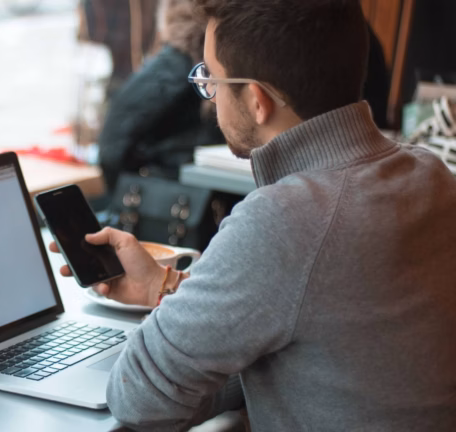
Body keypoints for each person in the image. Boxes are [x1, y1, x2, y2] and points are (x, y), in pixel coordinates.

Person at [50, 0, 456, 430]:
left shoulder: (283, 220)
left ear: (258, 101)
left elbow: (137, 398)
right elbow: (317, 345)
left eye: (211, 77)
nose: (210, 93)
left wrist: (177, 319)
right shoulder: (431, 177)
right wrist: (164, 286)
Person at [97, 0, 225, 191]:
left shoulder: (174, 66)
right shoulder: (207, 69)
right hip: (195, 196)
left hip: (180, 197)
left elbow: (112, 147)